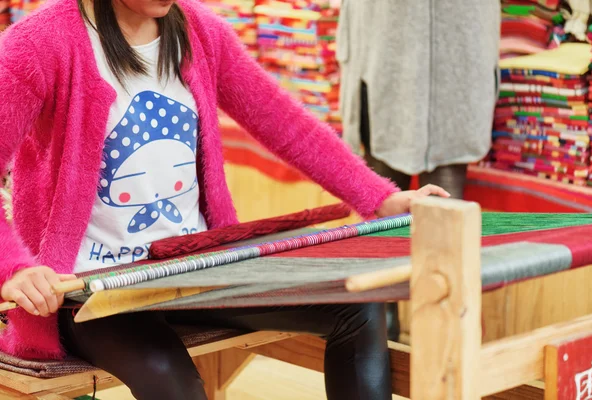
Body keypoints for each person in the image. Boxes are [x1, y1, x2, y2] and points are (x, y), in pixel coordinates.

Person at [0, 0, 449, 398]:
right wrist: (15, 269)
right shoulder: (38, 44)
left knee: (357, 306)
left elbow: (282, 122)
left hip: (195, 268)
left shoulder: (199, 30)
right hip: (93, 290)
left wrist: (380, 198)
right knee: (168, 377)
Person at [336, 0, 500, 340]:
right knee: (380, 208)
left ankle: (445, 345)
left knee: (447, 223)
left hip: (460, 49)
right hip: (383, 47)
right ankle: (377, 331)